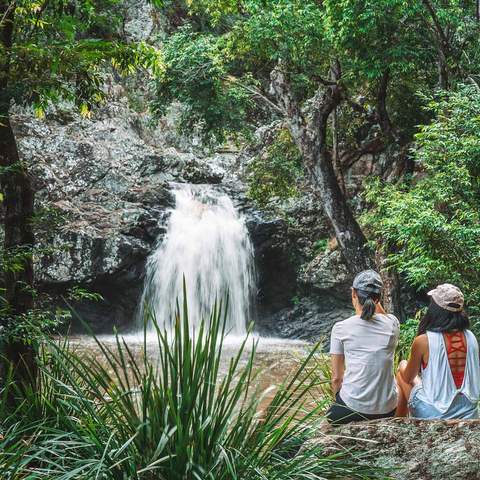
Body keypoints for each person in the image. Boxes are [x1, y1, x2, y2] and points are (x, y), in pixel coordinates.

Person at [327, 270, 400, 424]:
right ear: (379, 298)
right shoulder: (393, 323)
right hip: (387, 409)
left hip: (352, 408)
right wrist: (375, 298)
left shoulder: (340, 328)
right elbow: (382, 315)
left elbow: (336, 378)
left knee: (330, 416)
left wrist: (339, 401)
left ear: (353, 293)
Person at [396, 284, 480, 419]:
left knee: (402, 370)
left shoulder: (423, 341)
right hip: (469, 412)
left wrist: (403, 366)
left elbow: (408, 378)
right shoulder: (471, 338)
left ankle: (397, 423)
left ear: (435, 308)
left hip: (433, 413)